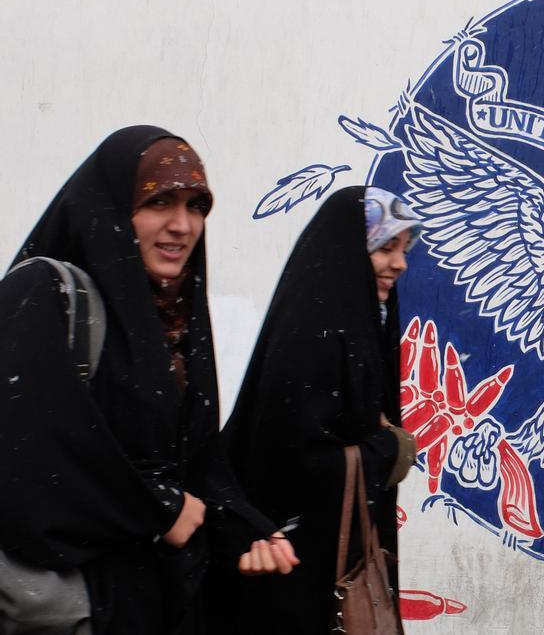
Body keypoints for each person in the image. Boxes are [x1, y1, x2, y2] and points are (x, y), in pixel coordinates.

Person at [0, 126, 297, 634]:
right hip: (70, 606)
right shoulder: (43, 294)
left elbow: (195, 465)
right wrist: (157, 510)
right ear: (113, 211)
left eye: (197, 206)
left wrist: (246, 530)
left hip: (154, 601)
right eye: (160, 202)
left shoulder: (177, 326)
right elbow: (28, 460)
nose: (183, 225)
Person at [218, 186, 418, 634]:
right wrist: (388, 448)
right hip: (293, 569)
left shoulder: (357, 323)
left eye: (404, 249)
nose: (400, 264)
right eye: (386, 247)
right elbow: (290, 461)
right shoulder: (315, 336)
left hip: (329, 561)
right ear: (350, 251)